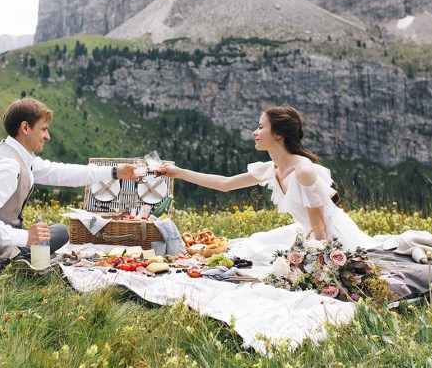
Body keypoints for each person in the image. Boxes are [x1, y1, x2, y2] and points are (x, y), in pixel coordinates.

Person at [156, 105, 377, 259]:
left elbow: (321, 230)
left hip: (333, 239)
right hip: (308, 233)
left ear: (278, 134)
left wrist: (322, 265)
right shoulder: (272, 169)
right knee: (253, 244)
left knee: (262, 254)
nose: (255, 132)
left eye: (261, 127)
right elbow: (225, 184)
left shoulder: (304, 171)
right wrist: (178, 172)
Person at [0, 97, 137, 260]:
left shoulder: (19, 156)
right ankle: (22, 257)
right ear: (25, 127)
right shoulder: (7, 167)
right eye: (43, 129)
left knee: (59, 231)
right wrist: (26, 237)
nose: (47, 136)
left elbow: (62, 173)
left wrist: (114, 172)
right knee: (56, 235)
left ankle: (30, 252)